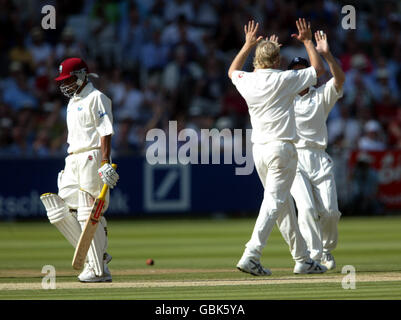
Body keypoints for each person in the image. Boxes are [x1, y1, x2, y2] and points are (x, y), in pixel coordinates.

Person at [228, 19, 327, 275]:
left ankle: (303, 259)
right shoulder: (285, 79)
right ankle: (252, 253)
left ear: (257, 62)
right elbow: (318, 69)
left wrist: (248, 44)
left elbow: (232, 70)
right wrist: (306, 41)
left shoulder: (247, 80)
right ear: (277, 62)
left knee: (283, 207)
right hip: (282, 149)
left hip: (258, 151)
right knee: (274, 203)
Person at [39, 58, 119, 282]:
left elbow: (105, 131)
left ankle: (98, 270)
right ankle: (98, 257)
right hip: (72, 158)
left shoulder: (97, 98)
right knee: (58, 209)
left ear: (83, 75)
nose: (65, 84)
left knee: (87, 210)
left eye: (69, 79)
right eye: (63, 80)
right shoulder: (72, 102)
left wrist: (104, 161)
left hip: (92, 156)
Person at [286, 30, 345, 271]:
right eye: (295, 72)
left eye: (303, 71)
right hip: (294, 158)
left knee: (330, 212)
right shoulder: (283, 98)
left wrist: (327, 55)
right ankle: (314, 254)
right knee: (307, 208)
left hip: (319, 157)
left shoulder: (320, 95)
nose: (300, 75)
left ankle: (327, 249)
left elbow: (339, 80)